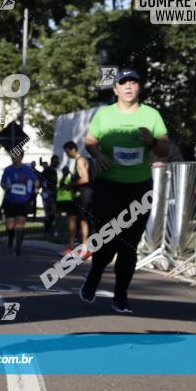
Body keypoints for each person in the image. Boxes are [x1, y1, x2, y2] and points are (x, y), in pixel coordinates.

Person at [81, 69, 170, 314]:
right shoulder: (105, 114)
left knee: (129, 244)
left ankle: (121, 295)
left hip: (138, 188)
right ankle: (95, 275)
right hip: (108, 186)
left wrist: (152, 141)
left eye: (133, 82)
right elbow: (90, 141)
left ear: (139, 88)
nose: (129, 87)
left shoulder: (151, 115)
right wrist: (97, 155)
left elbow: (165, 150)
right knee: (106, 239)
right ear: (116, 89)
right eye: (124, 83)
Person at [0, 148, 40, 256]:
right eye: (12, 155)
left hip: (23, 200)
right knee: (10, 226)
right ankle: (11, 236)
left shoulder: (28, 170)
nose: (14, 157)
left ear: (21, 156)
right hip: (9, 200)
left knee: (20, 224)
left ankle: (18, 246)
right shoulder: (8, 169)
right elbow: (2, 183)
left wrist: (36, 188)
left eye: (16, 155)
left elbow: (36, 180)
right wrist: (5, 186)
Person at [62, 141, 92, 258]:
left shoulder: (80, 160)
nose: (66, 155)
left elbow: (85, 178)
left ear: (72, 149)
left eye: (66, 152)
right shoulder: (83, 160)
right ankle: (84, 248)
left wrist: (72, 185)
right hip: (87, 194)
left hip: (82, 194)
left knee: (71, 218)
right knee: (83, 220)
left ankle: (71, 247)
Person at [39, 156, 59, 236]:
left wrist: (55, 190)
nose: (57, 163)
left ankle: (49, 228)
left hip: (53, 194)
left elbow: (54, 183)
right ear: (52, 161)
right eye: (55, 162)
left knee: (53, 212)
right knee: (48, 213)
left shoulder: (54, 171)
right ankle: (47, 230)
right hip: (46, 195)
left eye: (57, 162)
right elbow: (41, 180)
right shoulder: (47, 170)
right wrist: (46, 189)